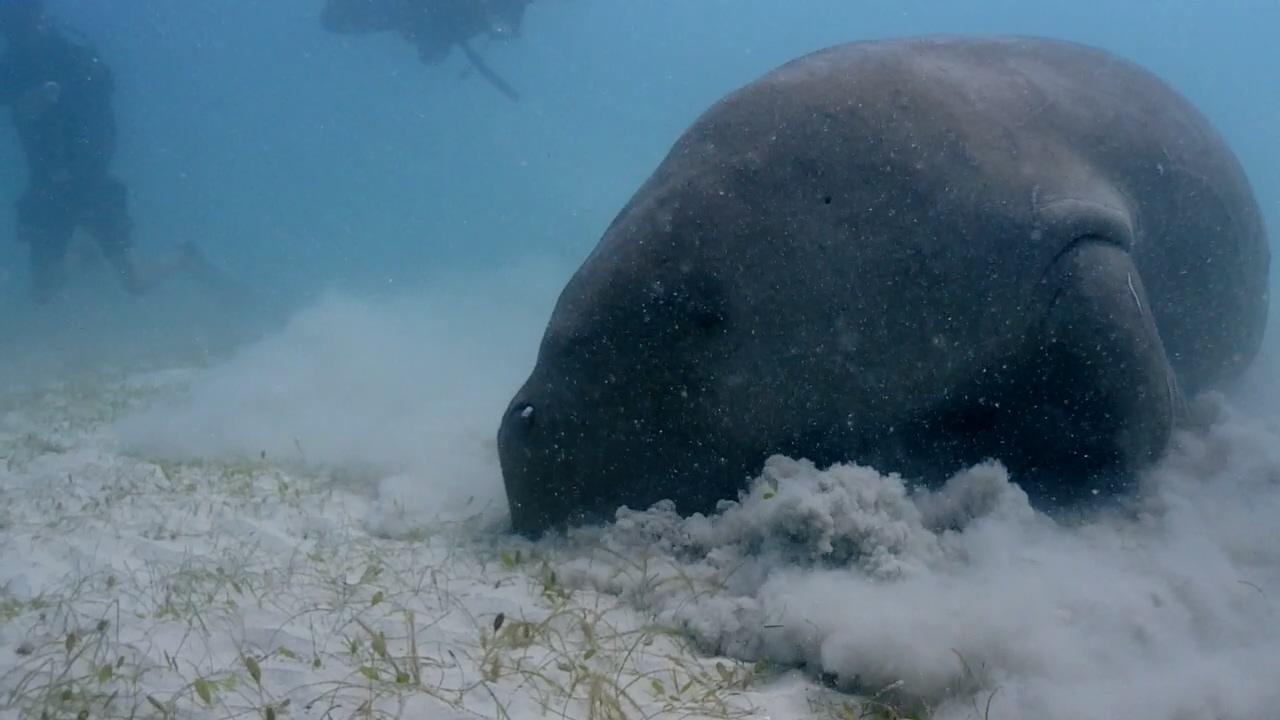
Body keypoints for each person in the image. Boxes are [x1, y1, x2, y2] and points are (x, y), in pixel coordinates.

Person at [0, 0, 195, 304]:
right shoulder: (12, 67)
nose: (16, 29)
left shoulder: (75, 58)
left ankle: (185, 255)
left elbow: (104, 125)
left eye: (23, 18)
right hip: (45, 188)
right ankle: (83, 251)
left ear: (39, 17)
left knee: (135, 281)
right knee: (42, 292)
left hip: (89, 182)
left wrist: (60, 96)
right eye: (9, 22)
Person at [321, 0, 532, 101]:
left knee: (337, 18)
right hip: (423, 15)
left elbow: (506, 28)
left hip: (428, 20)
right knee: (335, 18)